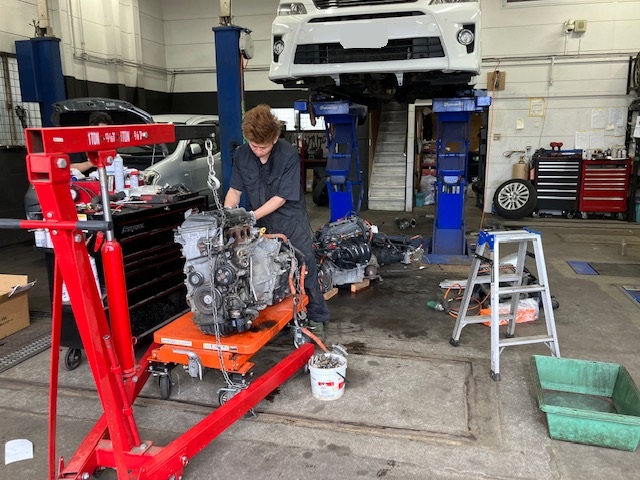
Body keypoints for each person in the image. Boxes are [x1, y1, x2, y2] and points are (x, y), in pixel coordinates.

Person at [224, 104, 330, 340]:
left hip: (291, 221)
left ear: (274, 138)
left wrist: (251, 216)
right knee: (265, 268)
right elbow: (235, 191)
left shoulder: (288, 155)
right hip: (262, 223)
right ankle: (281, 317)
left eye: (262, 147)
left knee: (304, 267)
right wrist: (227, 215)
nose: (257, 151)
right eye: (253, 145)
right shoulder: (242, 155)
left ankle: (317, 317)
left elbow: (281, 197)